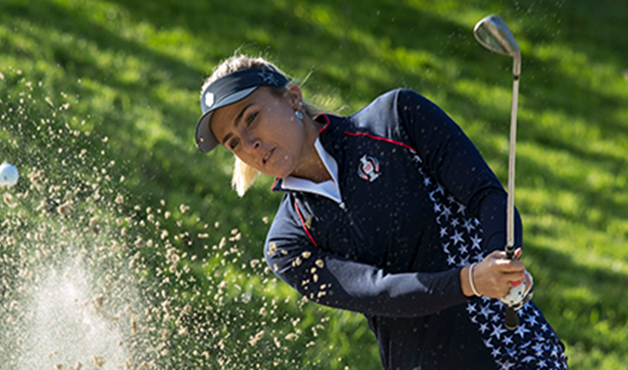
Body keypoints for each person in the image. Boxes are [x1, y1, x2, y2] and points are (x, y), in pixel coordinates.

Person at [193, 54, 568, 369]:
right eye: (233, 142)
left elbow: (487, 197)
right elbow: (377, 290)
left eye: (251, 117)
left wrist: (501, 255)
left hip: (517, 351)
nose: (249, 142)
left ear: (292, 97)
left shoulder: (396, 119)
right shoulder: (288, 242)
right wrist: (470, 281)